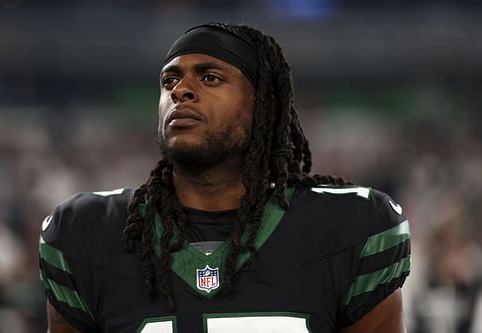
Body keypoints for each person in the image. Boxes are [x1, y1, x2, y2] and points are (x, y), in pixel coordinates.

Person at [38, 22, 411, 333]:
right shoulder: (86, 232)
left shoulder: (349, 227)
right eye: (169, 81)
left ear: (262, 105)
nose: (180, 91)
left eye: (210, 77)